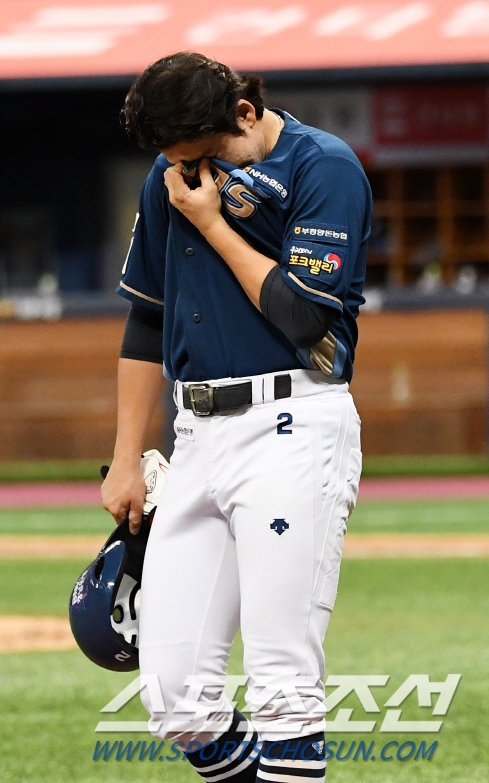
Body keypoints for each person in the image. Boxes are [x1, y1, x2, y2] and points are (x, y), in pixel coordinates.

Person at [101, 52, 367, 782]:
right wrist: (128, 455)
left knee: (283, 681)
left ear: (244, 113)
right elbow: (146, 321)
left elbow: (307, 318)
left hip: (293, 423)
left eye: (200, 156)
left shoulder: (325, 168)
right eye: (174, 160)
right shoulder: (170, 177)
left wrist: (215, 224)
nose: (186, 174)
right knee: (175, 695)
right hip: (196, 436)